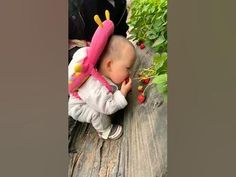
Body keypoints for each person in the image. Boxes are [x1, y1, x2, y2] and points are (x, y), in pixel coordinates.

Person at [68, 35, 136, 140]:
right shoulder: (93, 88)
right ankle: (105, 131)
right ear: (109, 65)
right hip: (80, 107)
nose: (130, 72)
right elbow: (107, 107)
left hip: (94, 99)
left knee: (103, 100)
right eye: (127, 68)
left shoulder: (101, 70)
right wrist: (122, 93)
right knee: (97, 113)